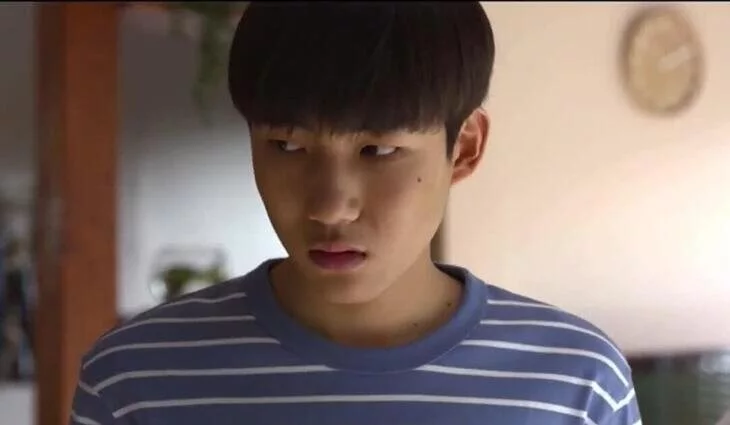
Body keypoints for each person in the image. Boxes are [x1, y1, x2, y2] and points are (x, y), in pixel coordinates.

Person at [70, 3, 642, 424]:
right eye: (288, 147)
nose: (330, 206)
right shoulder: (134, 380)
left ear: (464, 148)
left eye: (379, 151)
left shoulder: (576, 382)